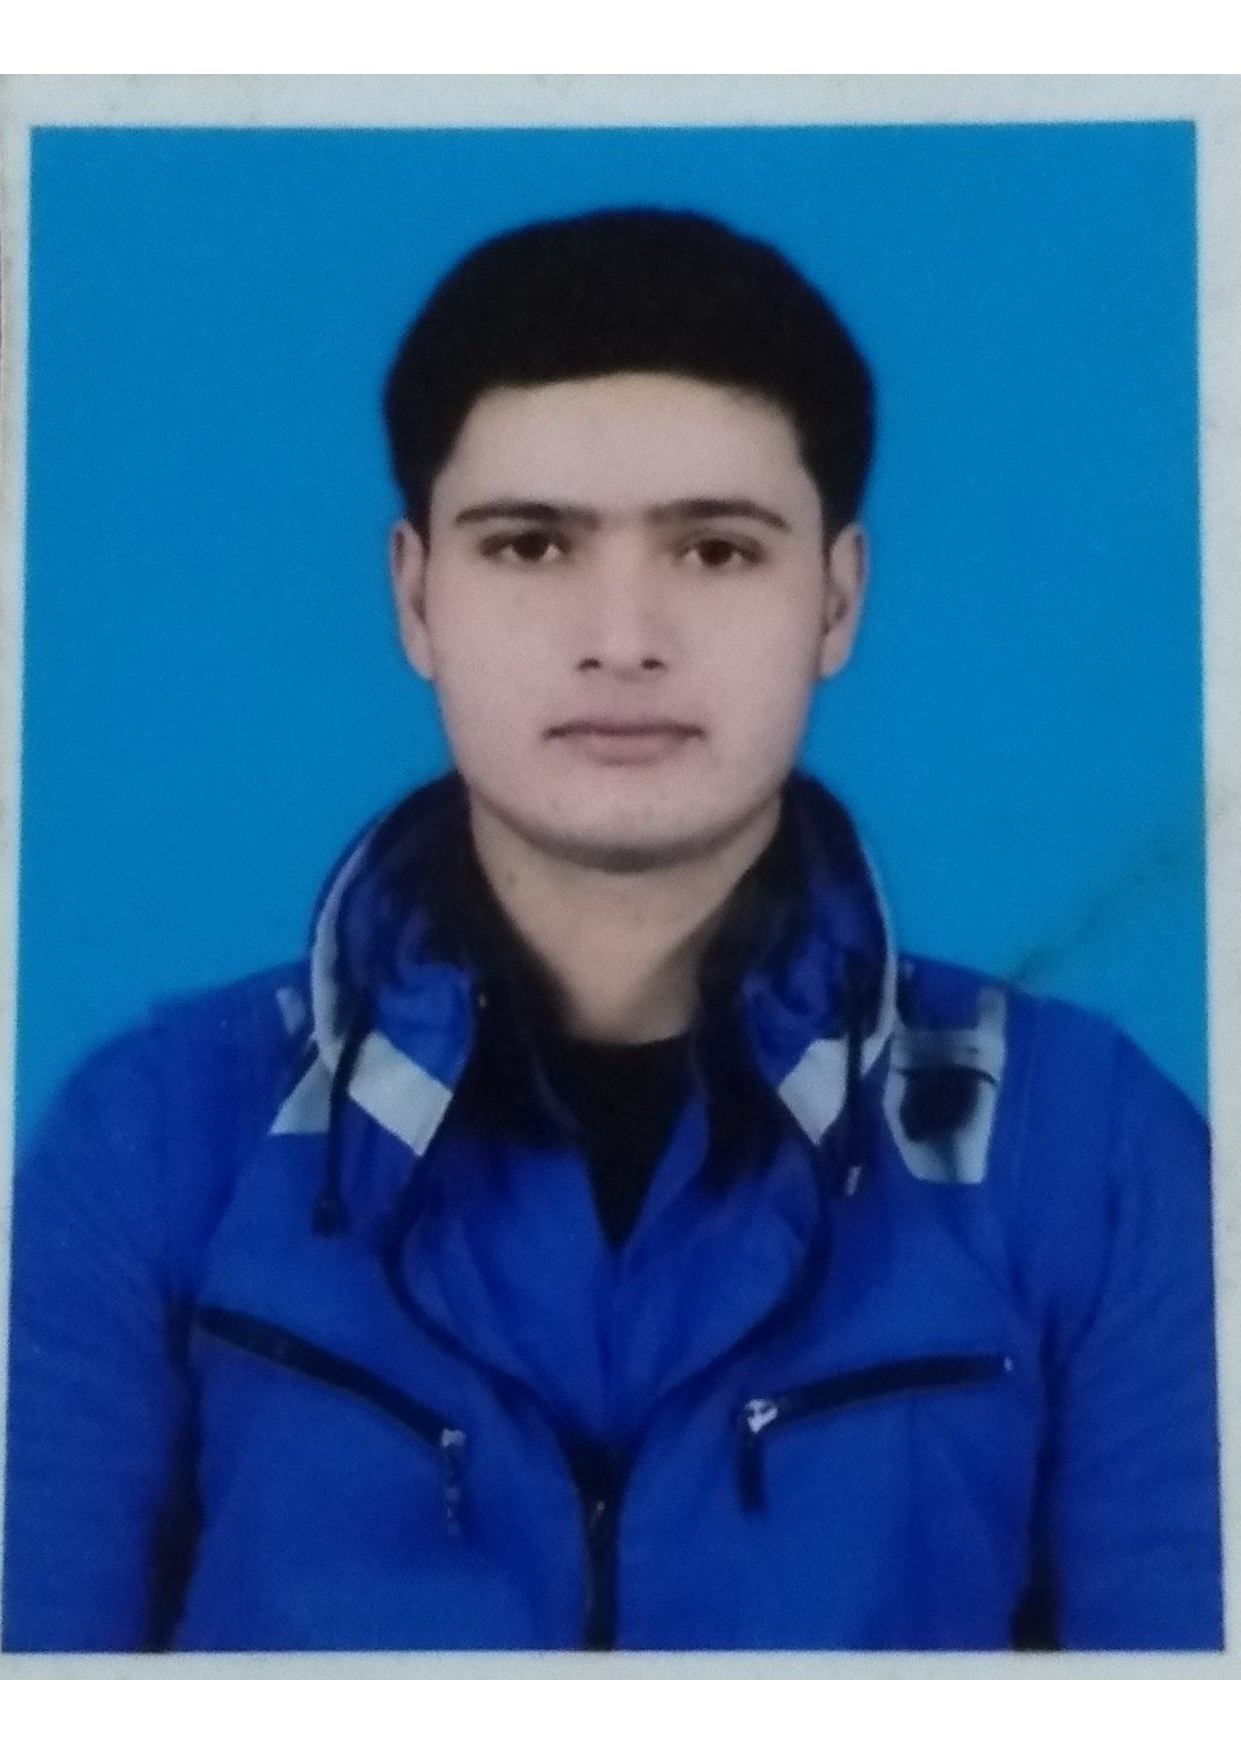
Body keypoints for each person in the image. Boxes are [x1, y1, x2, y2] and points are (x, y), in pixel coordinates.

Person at [2, 208, 1221, 1654]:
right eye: (530, 545)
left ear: (835, 598)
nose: (624, 637)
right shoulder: (157, 1140)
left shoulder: (1088, 1152)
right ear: (415, 595)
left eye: (715, 549)